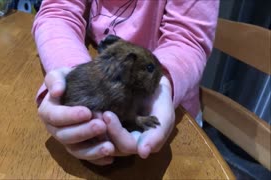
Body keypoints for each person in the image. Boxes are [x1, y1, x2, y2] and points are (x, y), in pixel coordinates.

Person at [32, 0, 219, 166]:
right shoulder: (116, 90)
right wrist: (65, 71)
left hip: (178, 116)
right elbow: (58, 12)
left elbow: (188, 39)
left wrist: (166, 83)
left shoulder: (136, 84)